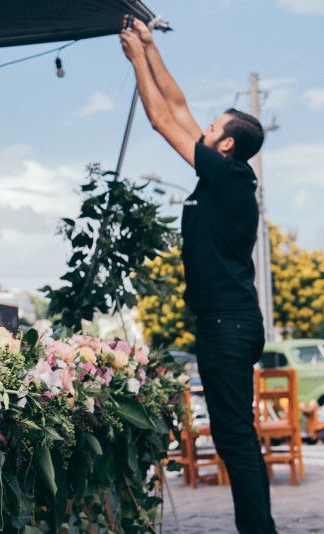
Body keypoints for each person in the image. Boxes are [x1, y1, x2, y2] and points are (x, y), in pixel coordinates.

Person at [120, 17, 275, 534]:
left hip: (227, 326)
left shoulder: (230, 180)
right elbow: (181, 108)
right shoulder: (222, 175)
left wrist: (136, 61)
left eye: (214, 128)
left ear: (226, 145)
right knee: (237, 436)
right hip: (227, 323)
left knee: (234, 438)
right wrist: (148, 45)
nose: (204, 129)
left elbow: (164, 119)